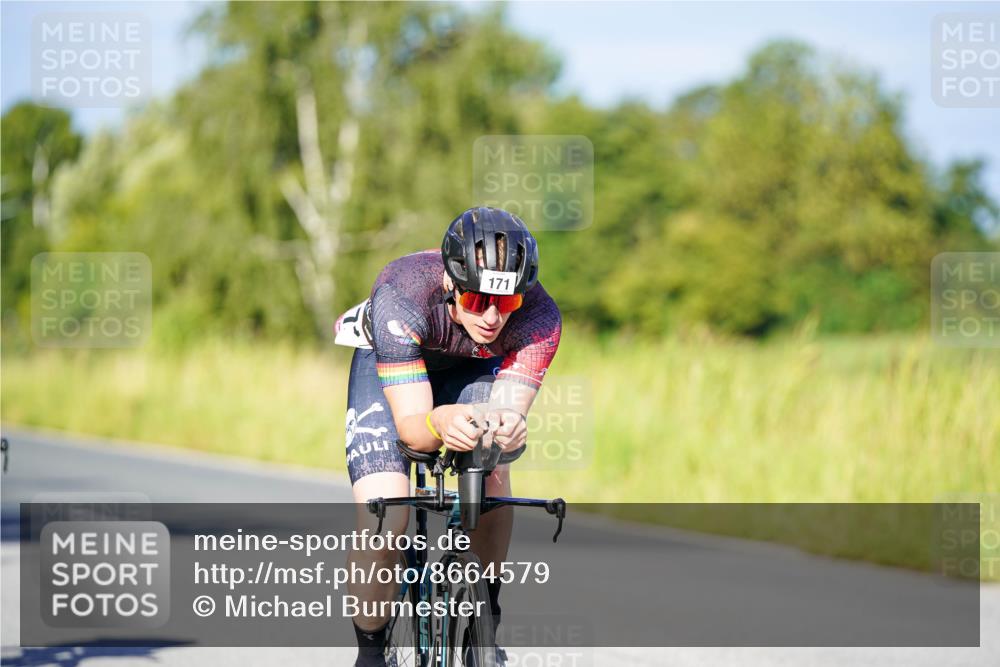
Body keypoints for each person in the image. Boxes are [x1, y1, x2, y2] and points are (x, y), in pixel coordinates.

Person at [337, 206, 562, 667]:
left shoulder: (540, 317)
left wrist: (509, 428)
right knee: (386, 515)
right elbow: (416, 433)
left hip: (473, 370)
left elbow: (508, 416)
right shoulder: (402, 295)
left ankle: (485, 622)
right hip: (393, 366)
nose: (494, 317)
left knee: (494, 469)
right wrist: (440, 422)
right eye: (479, 301)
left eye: (508, 302)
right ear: (451, 284)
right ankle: (371, 652)